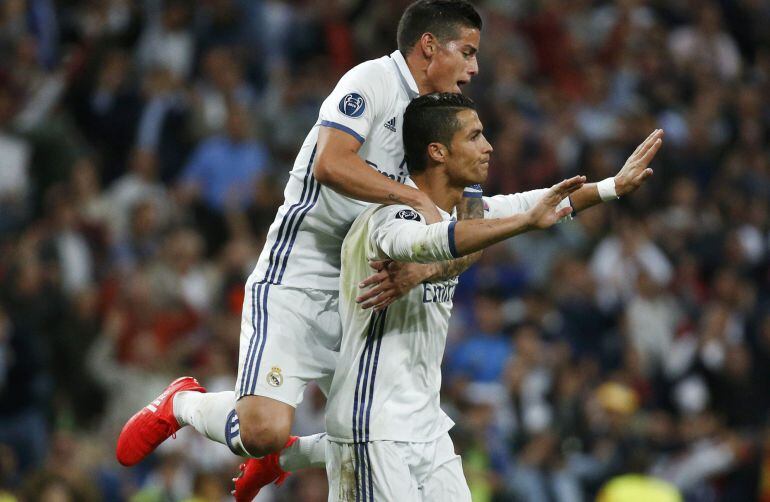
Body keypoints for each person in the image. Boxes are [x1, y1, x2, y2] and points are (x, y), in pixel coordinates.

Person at [116, 0, 486, 494]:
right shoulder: (371, 82)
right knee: (261, 429)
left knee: (379, 426)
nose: (474, 67)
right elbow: (330, 163)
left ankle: (285, 458)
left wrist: (431, 265)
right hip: (301, 276)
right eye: (466, 52)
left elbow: (473, 214)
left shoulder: (444, 118)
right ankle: (181, 403)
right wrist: (411, 195)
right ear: (428, 46)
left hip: (364, 291)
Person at [321, 93, 663, 500]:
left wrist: (611, 186)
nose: (489, 146)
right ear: (438, 151)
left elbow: (536, 203)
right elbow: (434, 241)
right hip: (372, 422)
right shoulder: (392, 215)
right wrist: (523, 223)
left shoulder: (455, 214)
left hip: (426, 423)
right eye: (475, 137)